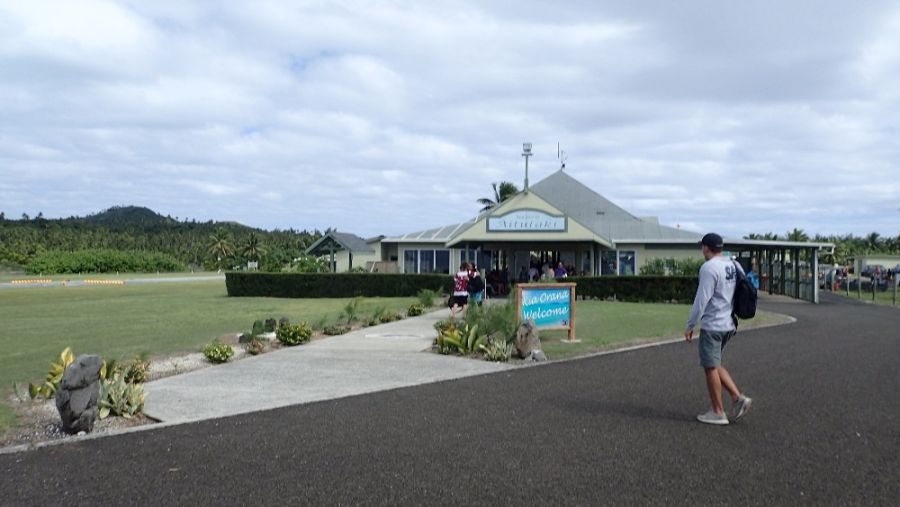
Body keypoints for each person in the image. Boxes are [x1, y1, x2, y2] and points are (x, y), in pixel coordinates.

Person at [684, 233, 752, 426]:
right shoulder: (733, 264)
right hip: (729, 324)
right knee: (715, 362)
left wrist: (690, 325)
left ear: (706, 248)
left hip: (713, 324)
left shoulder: (709, 267)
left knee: (710, 366)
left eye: (702, 247)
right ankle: (738, 398)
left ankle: (718, 412)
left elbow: (701, 299)